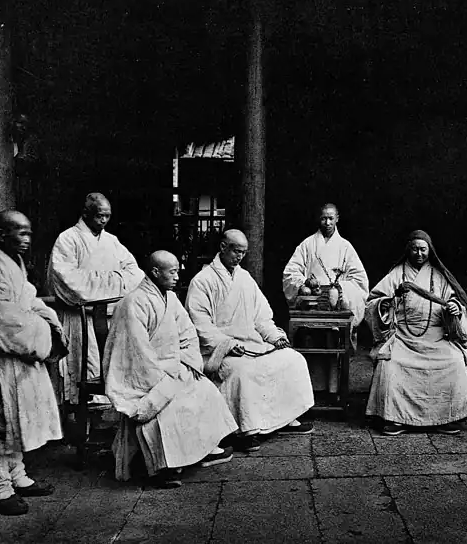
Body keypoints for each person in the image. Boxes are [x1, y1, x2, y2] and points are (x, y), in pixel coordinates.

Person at [102, 251, 238, 488]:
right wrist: (163, 379)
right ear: (155, 272)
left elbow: (188, 335)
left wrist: (187, 364)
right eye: (172, 272)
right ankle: (164, 466)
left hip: (175, 367)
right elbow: (136, 352)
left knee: (205, 390)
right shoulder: (133, 303)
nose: (177, 277)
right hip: (146, 374)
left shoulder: (171, 299)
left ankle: (201, 450)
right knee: (172, 403)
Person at [0, 211, 66, 515]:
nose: (27, 239)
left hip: (19, 355)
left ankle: (17, 475)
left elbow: (30, 301)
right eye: (20, 233)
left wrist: (48, 321)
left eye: (29, 233)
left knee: (17, 417)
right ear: (0, 234)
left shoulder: (13, 263)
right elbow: (1, 317)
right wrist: (41, 332)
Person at [186, 229, 315, 451]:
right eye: (236, 251)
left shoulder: (244, 278)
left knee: (292, 360)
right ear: (223, 247)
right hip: (221, 349)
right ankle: (246, 430)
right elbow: (200, 324)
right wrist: (227, 345)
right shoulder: (202, 281)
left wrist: (274, 337)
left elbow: (261, 316)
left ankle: (284, 419)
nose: (239, 257)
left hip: (252, 343)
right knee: (243, 372)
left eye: (243, 253)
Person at [366, 230, 467, 435]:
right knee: (389, 364)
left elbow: (454, 300)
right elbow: (373, 302)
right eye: (415, 249)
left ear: (429, 250)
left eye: (423, 249)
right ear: (408, 250)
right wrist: (388, 301)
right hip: (403, 336)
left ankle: (446, 417)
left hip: (436, 336)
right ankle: (395, 418)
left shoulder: (439, 275)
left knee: (454, 361)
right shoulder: (397, 274)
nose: (419, 253)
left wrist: (454, 307)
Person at [46, 192, 144, 405]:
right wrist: (115, 281)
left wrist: (97, 281)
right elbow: (70, 282)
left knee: (108, 369)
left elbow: (136, 275)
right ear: (86, 213)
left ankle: (104, 417)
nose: (104, 221)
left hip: (108, 318)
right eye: (100, 216)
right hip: (78, 317)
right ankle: (78, 418)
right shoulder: (68, 239)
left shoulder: (112, 241)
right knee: (81, 370)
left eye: (107, 216)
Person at [282, 203, 369, 394]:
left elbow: (359, 280)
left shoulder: (345, 247)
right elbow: (290, 272)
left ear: (337, 218)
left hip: (335, 309)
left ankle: (333, 392)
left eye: (331, 218)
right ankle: (310, 393)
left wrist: (341, 289)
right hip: (312, 307)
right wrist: (303, 283)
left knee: (332, 345)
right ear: (318, 219)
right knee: (310, 345)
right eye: (323, 218)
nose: (327, 222)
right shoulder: (307, 245)